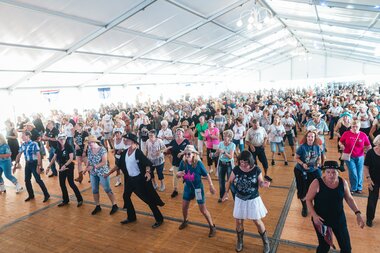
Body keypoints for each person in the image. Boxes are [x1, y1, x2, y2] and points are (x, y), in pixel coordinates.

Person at [306, 161, 365, 253]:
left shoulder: (343, 182)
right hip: (322, 221)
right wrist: (314, 216)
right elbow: (308, 200)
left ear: (338, 172)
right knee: (324, 247)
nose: (331, 175)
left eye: (334, 172)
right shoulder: (316, 183)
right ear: (324, 172)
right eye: (328, 172)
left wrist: (358, 213)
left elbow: (349, 198)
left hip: (339, 219)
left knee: (346, 248)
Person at [222, 150, 270, 253]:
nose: (243, 164)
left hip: (253, 199)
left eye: (245, 162)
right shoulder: (236, 169)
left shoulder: (256, 169)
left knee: (257, 221)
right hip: (240, 198)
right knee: (238, 221)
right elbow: (229, 181)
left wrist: (263, 184)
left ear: (250, 161)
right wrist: (226, 193)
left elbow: (260, 182)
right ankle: (240, 241)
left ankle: (266, 242)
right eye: (241, 162)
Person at [117, 133, 165, 228]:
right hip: (130, 180)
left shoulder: (138, 152)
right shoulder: (125, 152)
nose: (124, 141)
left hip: (139, 180)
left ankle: (159, 219)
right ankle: (131, 217)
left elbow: (147, 163)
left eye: (126, 139)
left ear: (132, 141)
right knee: (126, 196)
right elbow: (119, 165)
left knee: (148, 200)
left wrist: (147, 172)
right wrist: (108, 174)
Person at [176, 145, 216, 237]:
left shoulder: (198, 164)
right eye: (185, 154)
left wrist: (211, 186)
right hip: (188, 188)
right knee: (184, 207)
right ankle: (185, 221)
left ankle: (212, 226)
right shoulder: (183, 163)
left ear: (194, 154)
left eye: (189, 153)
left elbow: (207, 175)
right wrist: (178, 174)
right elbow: (178, 175)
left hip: (198, 188)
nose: (187, 155)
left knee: (203, 210)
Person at [84, 135, 118, 215]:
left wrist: (93, 166)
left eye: (90, 143)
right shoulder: (89, 149)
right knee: (94, 190)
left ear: (94, 142)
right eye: (88, 143)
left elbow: (104, 162)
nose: (89, 145)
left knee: (107, 189)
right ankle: (97, 205)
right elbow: (89, 159)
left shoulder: (102, 149)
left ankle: (114, 204)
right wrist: (86, 168)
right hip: (93, 172)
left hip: (103, 172)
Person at [46, 133, 83, 207]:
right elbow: (54, 158)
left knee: (71, 183)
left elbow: (71, 158)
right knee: (62, 184)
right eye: (60, 139)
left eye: (63, 138)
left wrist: (65, 165)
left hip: (69, 166)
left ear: (66, 139)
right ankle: (65, 200)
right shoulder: (58, 148)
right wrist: (49, 166)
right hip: (61, 167)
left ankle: (80, 199)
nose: (62, 140)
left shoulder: (69, 147)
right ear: (58, 140)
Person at [14, 131, 50, 202]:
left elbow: (39, 155)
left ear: (28, 136)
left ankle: (46, 195)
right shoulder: (23, 144)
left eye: (23, 135)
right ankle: (31, 195)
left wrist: (39, 166)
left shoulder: (34, 144)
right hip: (28, 164)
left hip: (34, 163)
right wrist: (15, 164)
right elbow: (19, 154)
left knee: (38, 180)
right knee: (27, 180)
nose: (21, 137)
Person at [339, 119, 371, 194]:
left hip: (360, 156)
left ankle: (359, 187)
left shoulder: (363, 135)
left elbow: (369, 146)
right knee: (353, 172)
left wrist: (365, 151)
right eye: (353, 126)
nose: (355, 128)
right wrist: (341, 145)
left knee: (359, 172)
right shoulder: (346, 133)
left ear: (359, 126)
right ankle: (353, 187)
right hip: (349, 156)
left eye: (356, 126)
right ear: (351, 126)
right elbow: (340, 141)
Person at [294, 130, 322, 217]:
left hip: (313, 171)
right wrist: (303, 164)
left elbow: (319, 157)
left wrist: (318, 163)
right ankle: (304, 207)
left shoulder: (317, 147)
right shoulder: (302, 147)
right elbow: (296, 158)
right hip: (301, 171)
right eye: (309, 136)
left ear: (314, 138)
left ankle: (315, 206)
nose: (310, 138)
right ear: (306, 138)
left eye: (312, 137)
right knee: (303, 190)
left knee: (316, 189)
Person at [166, 128, 190, 198]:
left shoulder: (186, 141)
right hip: (176, 162)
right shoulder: (173, 141)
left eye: (180, 132)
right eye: (177, 132)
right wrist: (165, 150)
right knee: (175, 176)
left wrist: (183, 152)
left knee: (187, 176)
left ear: (183, 133)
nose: (178, 133)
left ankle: (189, 190)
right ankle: (175, 190)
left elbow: (189, 150)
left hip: (185, 162)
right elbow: (169, 149)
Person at [213, 129, 235, 202]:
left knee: (230, 182)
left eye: (226, 136)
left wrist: (224, 152)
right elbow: (216, 153)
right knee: (221, 182)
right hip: (221, 164)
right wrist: (213, 154)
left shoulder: (232, 145)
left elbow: (231, 156)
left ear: (230, 137)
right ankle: (222, 196)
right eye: (224, 136)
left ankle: (236, 199)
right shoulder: (221, 143)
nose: (224, 137)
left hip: (229, 165)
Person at [364, 135, 380, 227]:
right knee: (372, 200)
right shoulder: (371, 153)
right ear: (378, 142)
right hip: (373, 180)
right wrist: (368, 179)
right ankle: (369, 218)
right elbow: (366, 166)